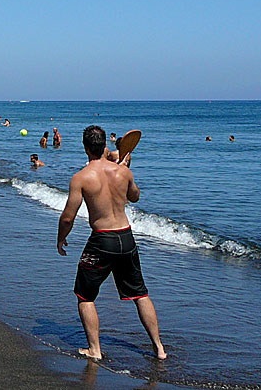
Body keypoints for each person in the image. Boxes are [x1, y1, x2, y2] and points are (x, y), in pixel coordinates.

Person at [57, 125, 166, 361]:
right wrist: (126, 171)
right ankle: (159, 348)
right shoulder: (122, 172)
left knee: (85, 296)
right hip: (126, 237)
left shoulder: (81, 177)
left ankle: (95, 349)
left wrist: (61, 237)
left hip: (102, 241)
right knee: (140, 294)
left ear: (85, 147)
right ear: (105, 145)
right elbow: (135, 196)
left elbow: (68, 216)